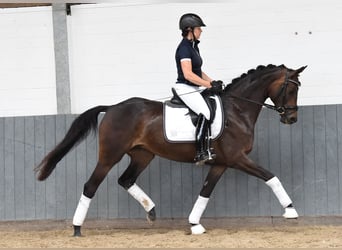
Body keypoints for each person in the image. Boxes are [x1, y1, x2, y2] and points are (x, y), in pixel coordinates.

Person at [174, 13, 224, 165]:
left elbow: (198, 71)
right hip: (185, 87)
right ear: (189, 30)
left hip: (195, 87)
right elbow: (188, 75)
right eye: (198, 28)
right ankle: (200, 152)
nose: (201, 31)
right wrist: (208, 85)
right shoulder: (184, 49)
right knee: (206, 112)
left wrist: (213, 81)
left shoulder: (193, 47)